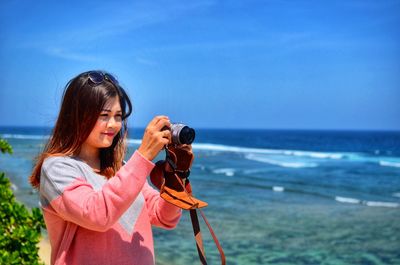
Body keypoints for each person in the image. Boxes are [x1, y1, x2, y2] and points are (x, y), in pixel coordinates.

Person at [29, 70, 184, 265]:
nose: (113, 124)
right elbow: (97, 215)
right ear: (77, 116)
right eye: (104, 115)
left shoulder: (121, 170)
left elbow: (165, 217)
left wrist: (176, 175)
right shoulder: (57, 168)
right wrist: (144, 156)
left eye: (118, 116)